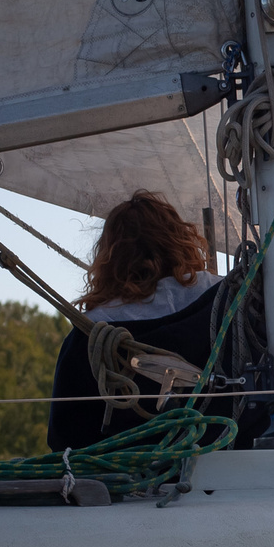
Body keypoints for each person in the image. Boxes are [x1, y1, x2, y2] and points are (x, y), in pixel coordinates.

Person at [45, 192, 228, 452]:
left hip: (126, 468)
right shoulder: (228, 300)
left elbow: (65, 438)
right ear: (181, 240)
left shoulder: (89, 336)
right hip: (223, 452)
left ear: (109, 256)